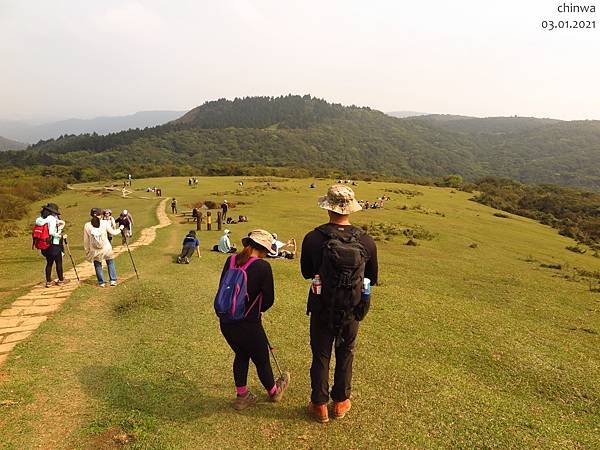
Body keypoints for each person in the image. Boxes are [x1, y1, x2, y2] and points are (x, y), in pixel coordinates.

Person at [301, 185, 378, 423]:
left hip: (321, 305)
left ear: (328, 208)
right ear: (351, 209)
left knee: (321, 354)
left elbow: (306, 272)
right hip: (352, 310)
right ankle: (341, 401)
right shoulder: (366, 241)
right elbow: (371, 279)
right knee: (346, 353)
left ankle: (319, 404)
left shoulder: (313, 238)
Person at [216, 229, 290, 410]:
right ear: (264, 249)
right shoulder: (263, 267)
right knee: (262, 359)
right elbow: (269, 299)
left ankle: (242, 396)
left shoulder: (231, 259)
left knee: (241, 354)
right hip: (249, 323)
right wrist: (256, 310)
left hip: (226, 321)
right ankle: (274, 392)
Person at [83, 208, 124, 287]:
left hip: (95, 250)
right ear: (101, 215)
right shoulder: (104, 223)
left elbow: (86, 240)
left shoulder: (87, 225)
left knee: (98, 265)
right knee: (110, 262)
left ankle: (101, 282)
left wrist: (87, 250)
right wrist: (120, 228)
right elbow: (113, 232)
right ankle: (113, 280)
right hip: (106, 248)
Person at [35, 203, 69, 288]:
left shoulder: (40, 219)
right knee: (58, 262)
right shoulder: (52, 219)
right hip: (54, 244)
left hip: (44, 245)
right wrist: (59, 235)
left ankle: (48, 282)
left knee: (49, 263)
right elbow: (51, 232)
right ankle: (61, 280)